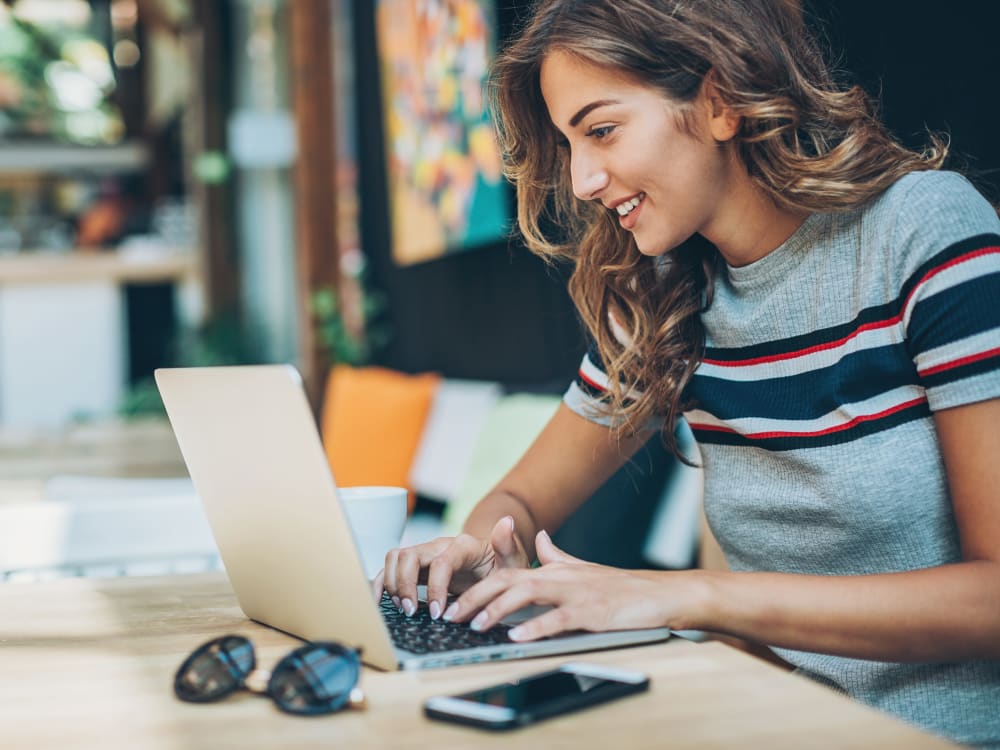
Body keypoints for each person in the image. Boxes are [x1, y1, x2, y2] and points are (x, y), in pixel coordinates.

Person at [376, 1, 1000, 746]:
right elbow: (517, 498)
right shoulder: (666, 294)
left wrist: (685, 596)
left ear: (719, 99)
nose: (580, 179)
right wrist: (475, 549)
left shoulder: (924, 235)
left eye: (601, 130)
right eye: (569, 143)